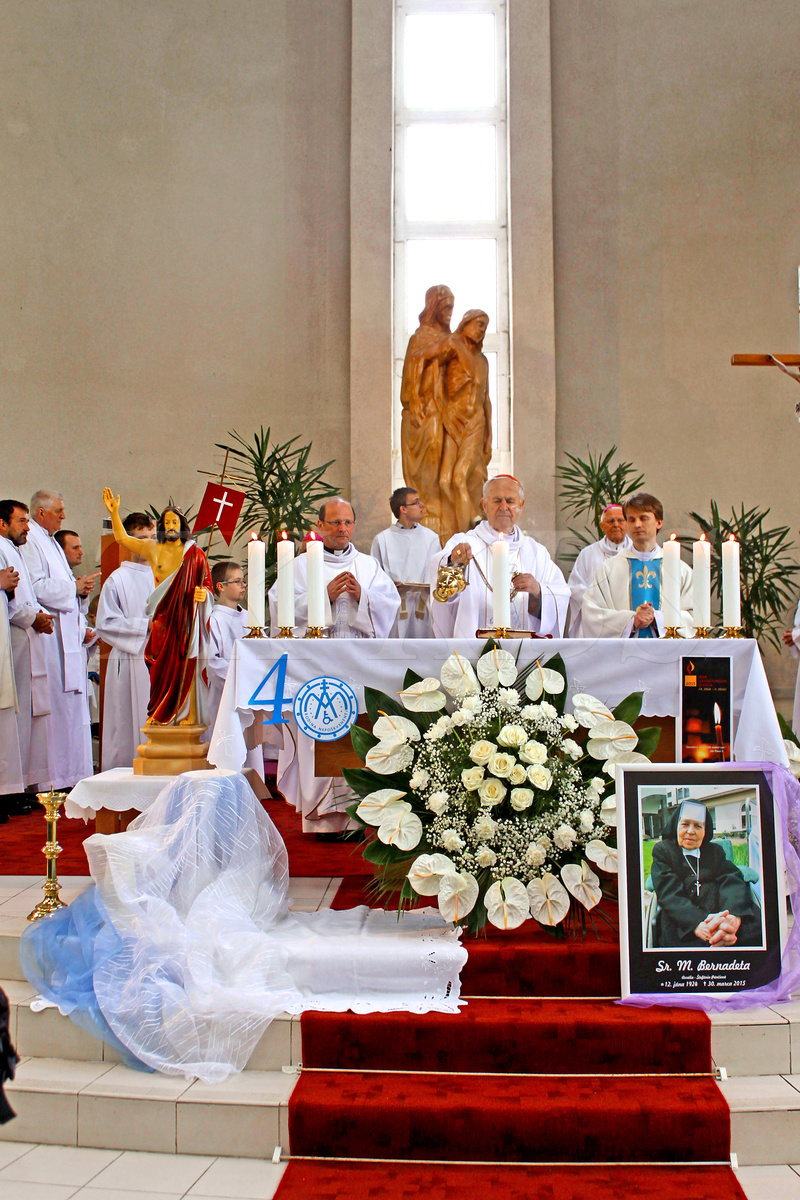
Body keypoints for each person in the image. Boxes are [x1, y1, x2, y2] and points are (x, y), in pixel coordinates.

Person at [267, 498, 399, 834]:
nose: (342, 529)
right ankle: (321, 819)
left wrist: (363, 598)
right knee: (317, 728)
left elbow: (389, 606)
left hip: (358, 668)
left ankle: (361, 816)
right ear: (321, 526)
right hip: (316, 667)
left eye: (348, 523)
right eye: (335, 523)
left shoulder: (368, 566)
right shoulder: (298, 566)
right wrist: (321, 595)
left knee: (360, 729)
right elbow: (278, 607)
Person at [103, 490, 213, 726]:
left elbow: (208, 585)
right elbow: (123, 540)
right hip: (162, 620)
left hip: (185, 620)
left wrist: (204, 596)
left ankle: (187, 714)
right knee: (159, 669)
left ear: (182, 525)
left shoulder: (195, 554)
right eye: (166, 522)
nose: (171, 526)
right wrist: (113, 513)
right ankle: (159, 714)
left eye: (175, 522)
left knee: (186, 665)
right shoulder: (154, 548)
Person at [21, 491, 99, 788]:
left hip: (67, 636)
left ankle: (71, 775)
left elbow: (62, 587)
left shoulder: (50, 541)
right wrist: (74, 589)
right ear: (40, 513)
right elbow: (37, 586)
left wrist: (78, 591)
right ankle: (53, 779)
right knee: (56, 709)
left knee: (71, 710)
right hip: (50, 640)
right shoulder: (32, 542)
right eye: (58, 511)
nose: (63, 516)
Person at [430, 475, 570, 639]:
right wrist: (453, 562)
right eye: (497, 501)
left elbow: (561, 594)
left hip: (523, 651)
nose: (504, 507)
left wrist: (538, 590)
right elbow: (438, 572)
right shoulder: (464, 543)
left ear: (521, 505)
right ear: (484, 505)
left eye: (510, 501)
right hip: (472, 644)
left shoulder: (537, 552)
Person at [650, 800, 762, 948]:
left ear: (705, 830)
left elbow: (732, 879)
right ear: (676, 825)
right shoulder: (663, 851)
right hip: (682, 915)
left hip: (720, 909)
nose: (691, 831)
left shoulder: (714, 852)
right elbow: (669, 893)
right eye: (685, 824)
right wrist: (697, 922)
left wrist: (732, 917)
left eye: (698, 825)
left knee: (757, 928)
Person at [581, 493, 693, 638]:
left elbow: (694, 617)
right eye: (632, 519)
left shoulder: (680, 570)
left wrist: (657, 618)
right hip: (623, 657)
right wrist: (631, 620)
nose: (637, 524)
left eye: (643, 518)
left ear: (659, 522)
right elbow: (592, 615)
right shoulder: (608, 569)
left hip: (667, 655)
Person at [0, 500, 53, 806]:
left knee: (23, 715)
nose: (27, 527)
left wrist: (38, 614)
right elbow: (13, 602)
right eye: (21, 521)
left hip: (25, 637)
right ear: (3, 523)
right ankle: (10, 789)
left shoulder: (15, 549)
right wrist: (33, 617)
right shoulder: (3, 548)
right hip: (15, 639)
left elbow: (23, 594)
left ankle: (18, 784)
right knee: (12, 715)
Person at [94, 512, 157, 770]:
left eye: (152, 537)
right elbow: (105, 624)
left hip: (162, 659)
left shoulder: (163, 575)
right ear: (128, 541)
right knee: (128, 724)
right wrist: (145, 626)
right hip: (131, 660)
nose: (148, 544)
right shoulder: (117, 580)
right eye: (141, 538)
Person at [400, 284, 455, 538]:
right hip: (424, 409)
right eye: (445, 307)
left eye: (451, 308)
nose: (449, 313)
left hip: (446, 410)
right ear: (434, 307)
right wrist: (414, 402)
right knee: (430, 451)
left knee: (445, 459)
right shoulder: (420, 337)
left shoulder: (451, 339)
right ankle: (426, 503)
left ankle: (440, 504)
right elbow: (411, 372)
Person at [370, 487, 440, 638]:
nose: (422, 505)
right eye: (416, 502)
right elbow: (374, 579)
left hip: (423, 610)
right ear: (403, 509)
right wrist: (389, 586)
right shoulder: (382, 540)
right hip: (393, 610)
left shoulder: (431, 538)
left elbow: (437, 574)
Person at [566, 504, 632, 637]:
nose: (616, 524)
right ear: (602, 526)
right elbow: (575, 588)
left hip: (629, 624)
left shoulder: (636, 554)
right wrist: (599, 606)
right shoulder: (588, 554)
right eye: (610, 521)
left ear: (627, 524)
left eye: (620, 520)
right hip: (596, 623)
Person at [206, 560, 248, 736]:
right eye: (237, 581)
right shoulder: (214, 620)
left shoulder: (249, 617)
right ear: (220, 586)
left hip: (250, 691)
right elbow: (212, 663)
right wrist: (238, 681)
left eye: (243, 580)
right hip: (225, 694)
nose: (243, 585)